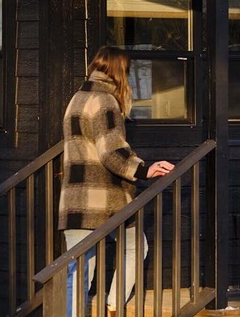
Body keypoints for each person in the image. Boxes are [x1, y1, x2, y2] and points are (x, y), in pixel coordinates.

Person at [58, 46, 173, 317]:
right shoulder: (105, 101)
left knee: (78, 268)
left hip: (75, 199)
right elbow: (111, 151)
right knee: (135, 247)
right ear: (120, 70)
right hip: (105, 198)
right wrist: (144, 170)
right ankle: (113, 305)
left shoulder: (77, 98)